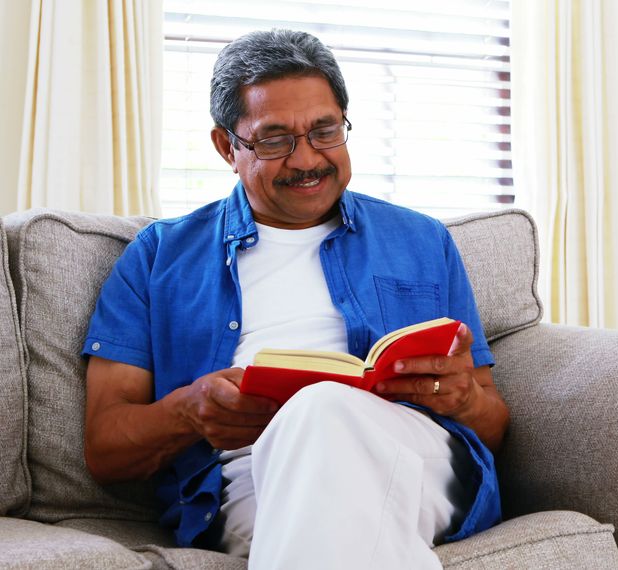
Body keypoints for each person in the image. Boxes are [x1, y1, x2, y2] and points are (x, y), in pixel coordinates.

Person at [81, 29, 508, 569]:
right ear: (226, 147)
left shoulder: (422, 241)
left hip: (419, 459)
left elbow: (493, 426)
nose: (307, 159)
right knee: (324, 459)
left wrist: (464, 399)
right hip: (248, 481)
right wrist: (187, 412)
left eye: (324, 131)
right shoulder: (158, 258)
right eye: (275, 139)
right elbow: (104, 448)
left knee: (322, 408)